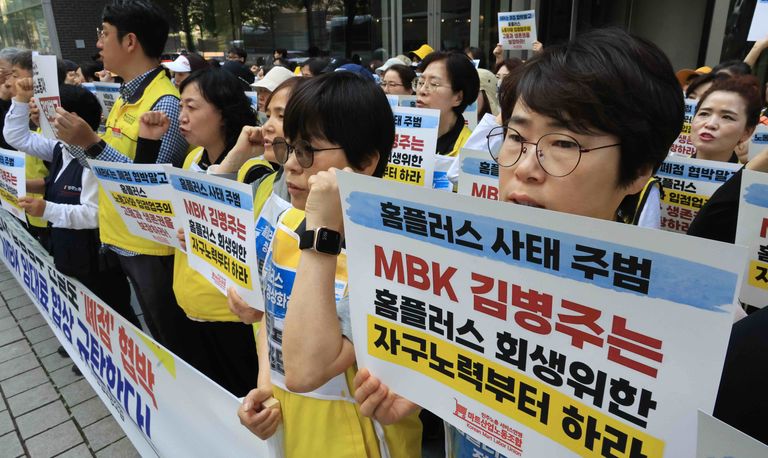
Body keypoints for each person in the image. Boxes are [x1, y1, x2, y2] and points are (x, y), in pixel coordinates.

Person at [354, 27, 683, 456]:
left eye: (563, 143)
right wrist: (429, 382)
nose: (525, 168)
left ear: (638, 170)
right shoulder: (456, 275)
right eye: (515, 137)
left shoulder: (685, 328)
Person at [235, 71, 422, 457]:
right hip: (298, 432)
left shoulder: (392, 257)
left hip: (365, 443)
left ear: (365, 162)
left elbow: (307, 370)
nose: (291, 165)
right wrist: (266, 385)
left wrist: (321, 235)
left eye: (308, 151)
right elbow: (271, 317)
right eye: (289, 148)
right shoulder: (287, 220)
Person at [52, 0, 189, 352]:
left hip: (151, 247)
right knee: (157, 333)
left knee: (172, 339)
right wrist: (75, 141)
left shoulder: (163, 102)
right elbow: (104, 167)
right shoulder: (127, 97)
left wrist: (90, 142)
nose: (98, 43)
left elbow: (147, 187)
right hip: (125, 238)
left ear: (130, 42)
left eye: (104, 34)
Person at [136, 68, 259, 396]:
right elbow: (149, 203)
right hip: (191, 307)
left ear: (224, 111)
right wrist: (147, 143)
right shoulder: (192, 159)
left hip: (234, 319)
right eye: (181, 106)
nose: (182, 116)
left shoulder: (254, 169)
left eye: (192, 107)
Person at [4, 80, 140, 329]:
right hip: (70, 251)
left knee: (115, 315)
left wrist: (46, 209)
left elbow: (94, 214)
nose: (39, 116)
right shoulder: (62, 147)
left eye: (48, 111)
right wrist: (20, 100)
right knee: (85, 310)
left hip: (94, 259)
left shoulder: (94, 158)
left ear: (71, 119)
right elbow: (17, 137)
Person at [7, 50, 50, 239]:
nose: (11, 82)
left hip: (51, 213)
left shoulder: (57, 117)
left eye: (15, 75)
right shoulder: (32, 114)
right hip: (33, 211)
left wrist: (19, 185)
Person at [414, 51, 479, 157]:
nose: (421, 91)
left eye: (434, 84)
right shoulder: (401, 138)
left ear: (458, 98)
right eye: (420, 82)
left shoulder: (472, 151)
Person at [690, 75, 761, 163]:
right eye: (704, 114)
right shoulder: (673, 167)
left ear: (747, 132)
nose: (710, 124)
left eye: (727, 117)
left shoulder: (749, 172)